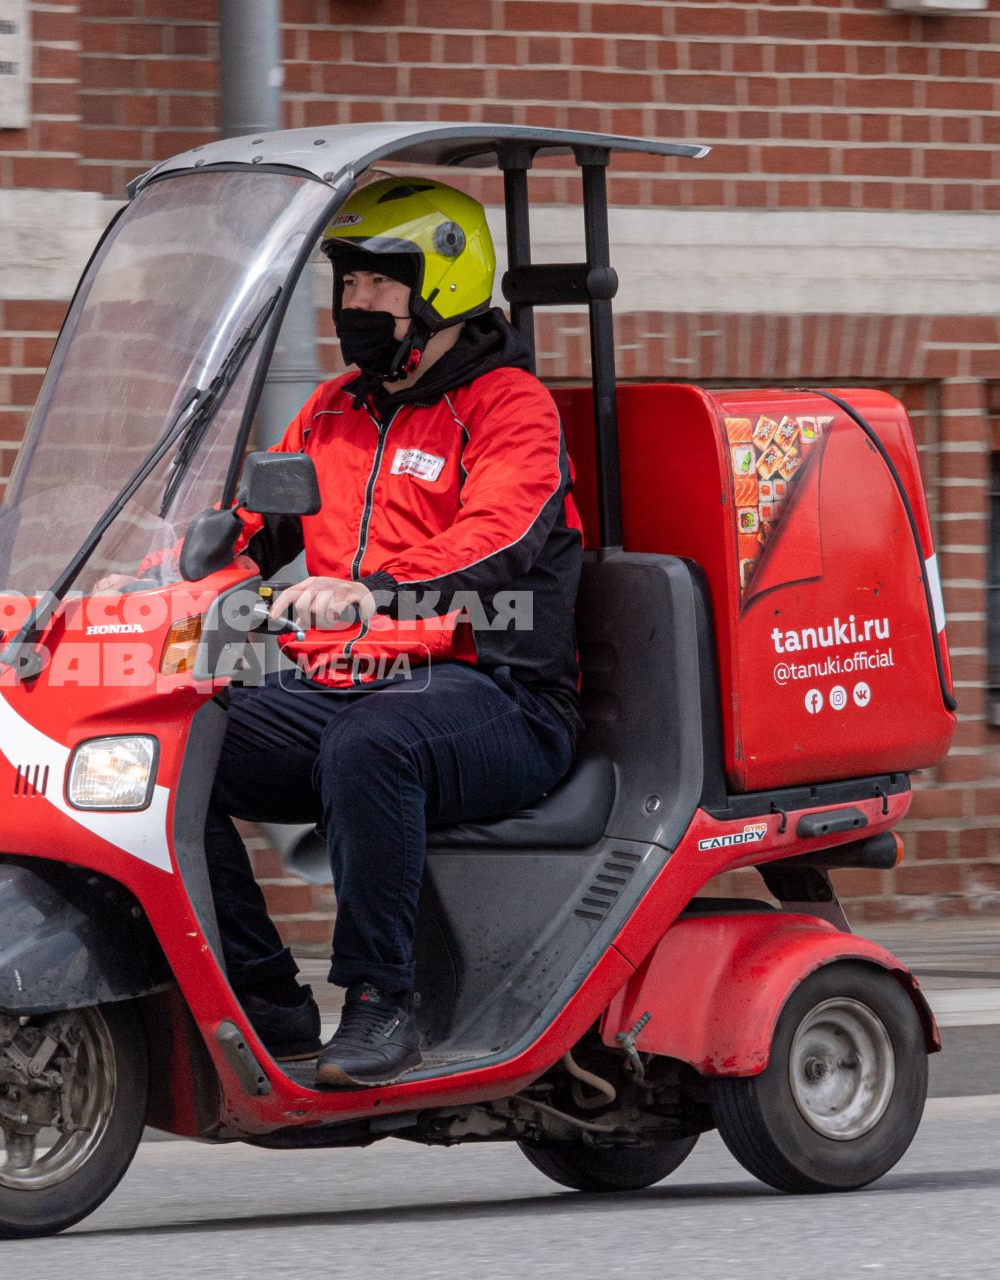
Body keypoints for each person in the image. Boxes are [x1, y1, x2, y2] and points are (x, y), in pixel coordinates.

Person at [207, 177, 584, 1086]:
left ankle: (385, 1004)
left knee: (373, 747)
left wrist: (368, 592)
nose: (354, 304)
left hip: (500, 694)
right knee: (182, 738)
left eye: (378, 282)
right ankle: (265, 997)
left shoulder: (511, 409)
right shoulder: (334, 408)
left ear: (441, 288)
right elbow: (253, 523)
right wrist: (166, 576)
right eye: (346, 283)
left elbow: (493, 540)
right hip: (349, 683)